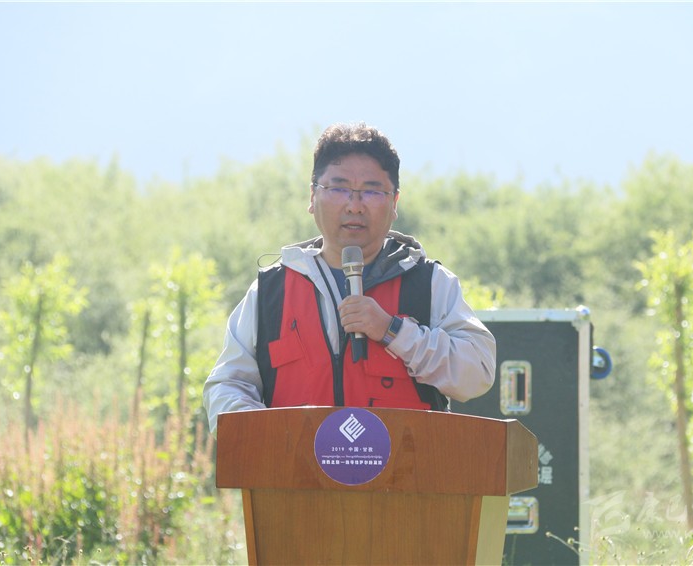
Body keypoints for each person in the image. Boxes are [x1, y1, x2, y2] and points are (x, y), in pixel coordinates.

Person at [203, 122, 496, 435]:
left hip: (407, 463)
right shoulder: (271, 291)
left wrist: (394, 331)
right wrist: (265, 436)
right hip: (295, 465)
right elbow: (226, 386)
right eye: (339, 188)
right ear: (312, 196)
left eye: (372, 191)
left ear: (394, 203)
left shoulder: (430, 283)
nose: (355, 206)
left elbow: (477, 373)